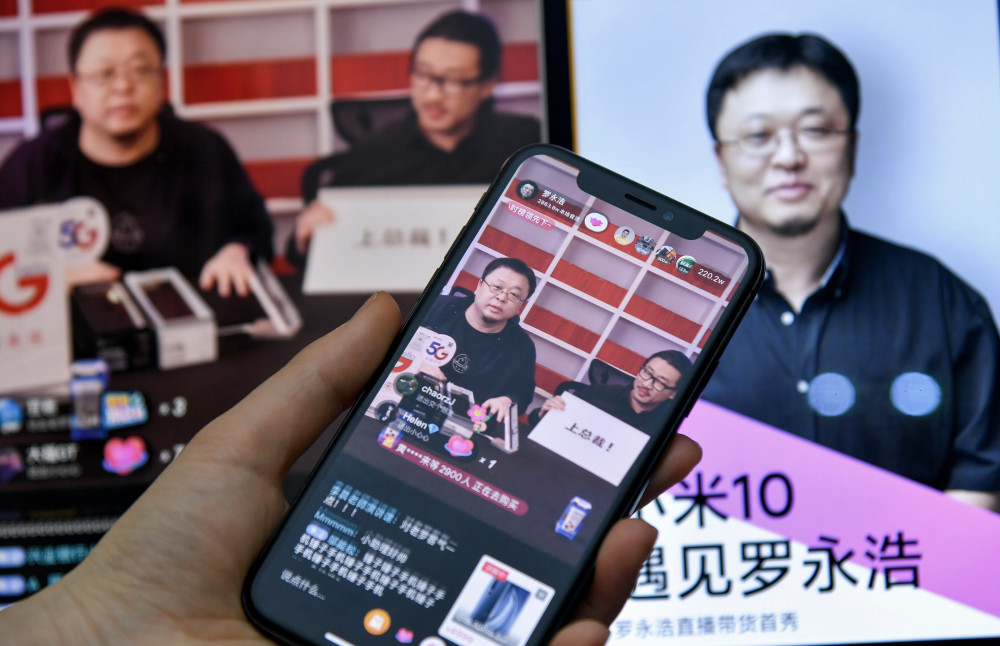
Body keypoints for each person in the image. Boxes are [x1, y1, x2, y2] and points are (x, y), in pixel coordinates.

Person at [0, 292, 703, 645]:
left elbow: (516, 415)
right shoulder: (454, 320)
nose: (650, 387)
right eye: (647, 374)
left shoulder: (526, 354)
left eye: (665, 386)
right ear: (484, 288)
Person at [698, 33, 1000, 510]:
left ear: (853, 147)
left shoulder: (940, 300)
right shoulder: (670, 299)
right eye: (758, 137)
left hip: (901, 560)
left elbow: (981, 478)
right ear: (721, 159)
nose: (788, 157)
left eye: (815, 130)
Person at [0, 8, 273, 297]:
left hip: (191, 316)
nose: (123, 87)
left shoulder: (206, 150)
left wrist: (237, 252)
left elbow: (257, 231)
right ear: (75, 88)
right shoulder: (33, 163)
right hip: (72, 322)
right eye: (104, 74)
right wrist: (51, 280)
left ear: (161, 80)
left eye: (140, 70)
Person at [287, 9, 541, 263]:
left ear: (487, 85)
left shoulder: (526, 146)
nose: (433, 95)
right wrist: (307, 236)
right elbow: (300, 253)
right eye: (423, 75)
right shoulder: (374, 153)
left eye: (453, 80)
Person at [420, 257, 537, 423]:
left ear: (521, 306)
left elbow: (522, 395)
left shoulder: (523, 348)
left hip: (463, 425)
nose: (501, 298)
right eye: (497, 287)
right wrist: (413, 360)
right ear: (479, 286)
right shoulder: (435, 307)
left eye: (514, 295)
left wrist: (507, 401)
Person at [538, 351, 692, 434]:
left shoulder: (665, 428)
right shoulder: (598, 393)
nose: (646, 384)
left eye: (660, 382)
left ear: (673, 393)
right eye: (647, 373)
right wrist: (547, 415)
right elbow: (549, 426)